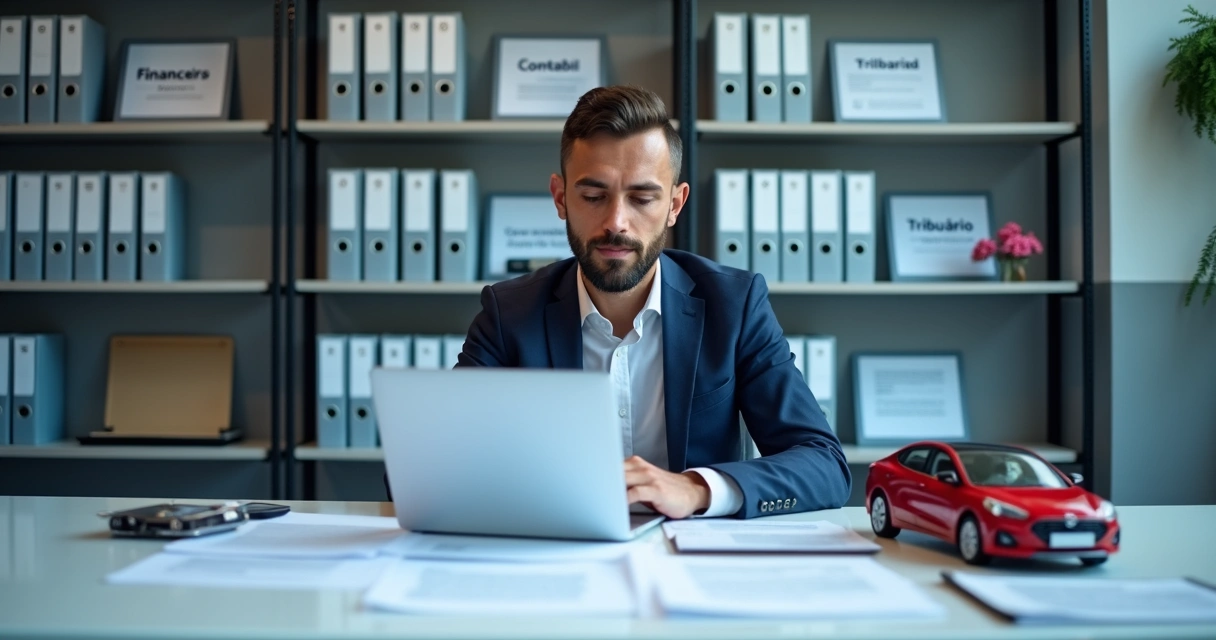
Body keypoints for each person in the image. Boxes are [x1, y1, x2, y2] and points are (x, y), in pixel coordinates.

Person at [456, 85, 850, 519]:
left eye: (642, 198)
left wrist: (696, 488)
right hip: (557, 545)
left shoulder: (734, 306)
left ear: (675, 205)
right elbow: (438, 463)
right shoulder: (508, 314)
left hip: (693, 550)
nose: (616, 223)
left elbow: (824, 464)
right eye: (593, 196)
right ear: (561, 198)